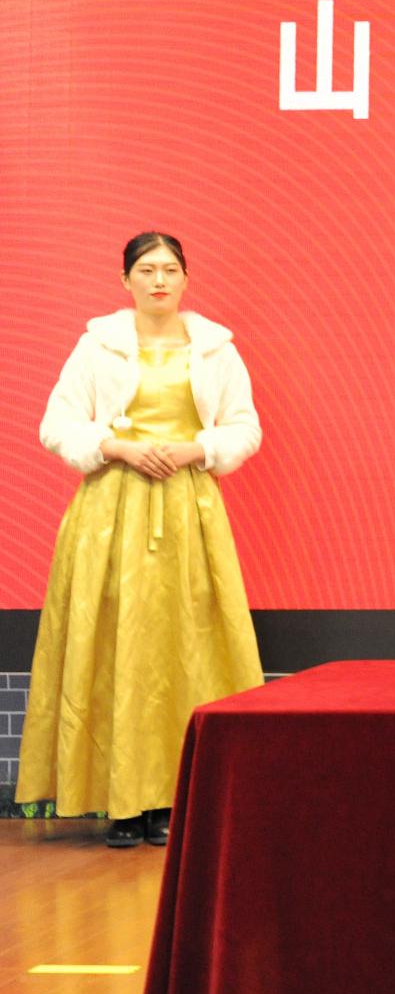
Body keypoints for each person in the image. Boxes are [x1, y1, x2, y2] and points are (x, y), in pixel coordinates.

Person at [21, 232, 264, 847]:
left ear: (186, 279)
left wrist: (194, 449)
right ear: (125, 279)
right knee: (116, 647)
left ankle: (170, 799)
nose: (159, 280)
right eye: (147, 270)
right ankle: (120, 801)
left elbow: (245, 428)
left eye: (170, 270)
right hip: (111, 513)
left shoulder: (215, 349)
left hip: (189, 514)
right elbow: (57, 424)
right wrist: (116, 447)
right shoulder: (97, 345)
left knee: (187, 648)